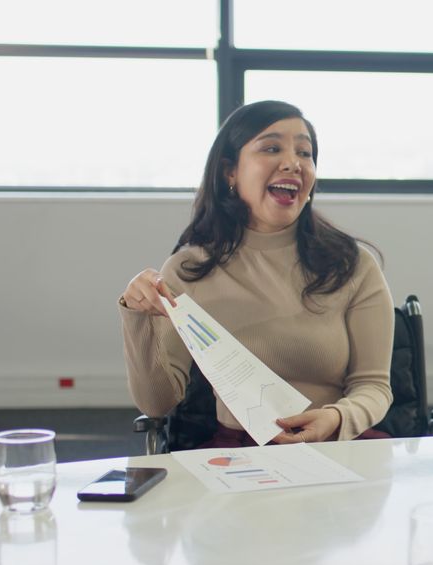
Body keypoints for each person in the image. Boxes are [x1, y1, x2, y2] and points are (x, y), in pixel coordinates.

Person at [119, 100, 393, 447]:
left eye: (305, 153)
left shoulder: (352, 265)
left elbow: (374, 386)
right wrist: (137, 318)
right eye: (272, 148)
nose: (293, 163)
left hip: (338, 443)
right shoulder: (189, 271)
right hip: (240, 451)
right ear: (229, 171)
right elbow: (156, 404)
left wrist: (336, 418)